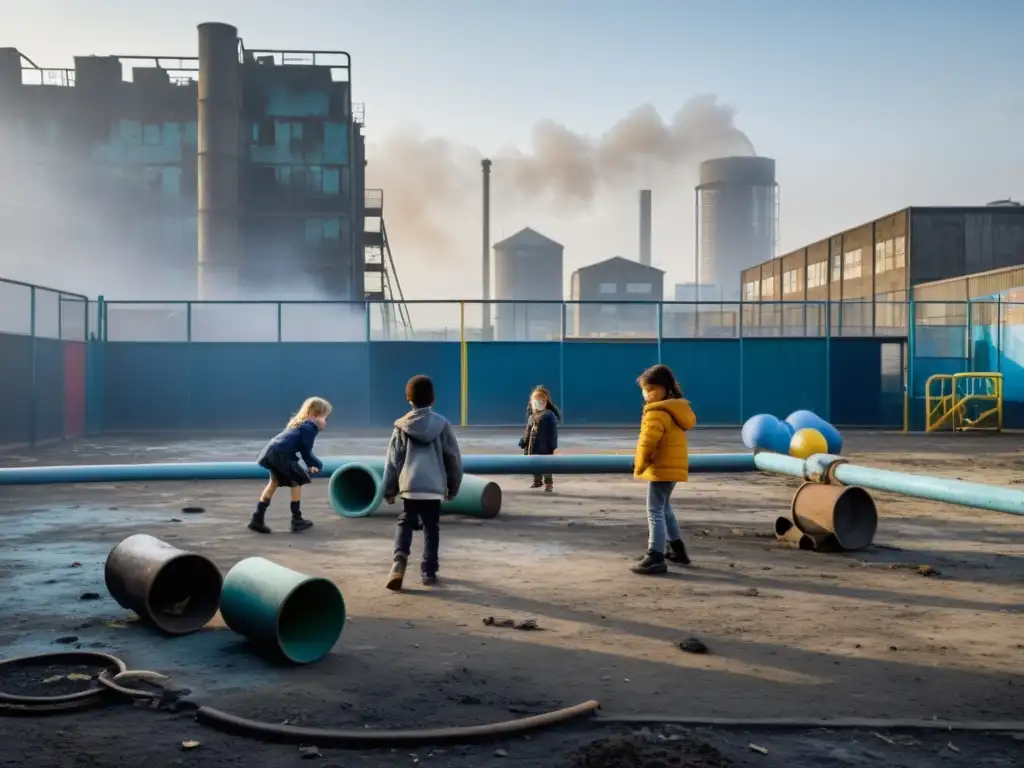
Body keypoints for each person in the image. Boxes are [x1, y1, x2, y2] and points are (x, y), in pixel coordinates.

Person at [382, 375, 463, 590]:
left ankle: (399, 560)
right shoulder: (442, 425)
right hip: (434, 487)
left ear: (409, 400)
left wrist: (389, 488)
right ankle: (428, 571)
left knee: (406, 520)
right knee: (431, 526)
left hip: (411, 486)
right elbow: (453, 458)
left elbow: (393, 459)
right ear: (433, 399)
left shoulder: (401, 426)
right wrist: (453, 486)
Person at [631, 364, 697, 575]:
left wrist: (639, 465)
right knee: (664, 507)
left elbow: (647, 443)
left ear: (665, 389)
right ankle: (677, 549)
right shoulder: (677, 409)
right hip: (673, 468)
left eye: (652, 388)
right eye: (645, 388)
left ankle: (655, 556)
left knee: (654, 510)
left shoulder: (656, 413)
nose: (648, 393)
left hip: (661, 468)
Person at [248, 396, 332, 535]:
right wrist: (317, 465)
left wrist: (310, 464)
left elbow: (301, 450)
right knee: (296, 481)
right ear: (313, 416)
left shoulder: (300, 424)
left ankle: (257, 518)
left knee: (273, 482)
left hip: (272, 452)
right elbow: (306, 452)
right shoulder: (309, 429)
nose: (326, 422)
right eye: (324, 417)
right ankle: (296, 519)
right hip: (280, 455)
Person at [518, 385, 560, 492]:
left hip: (545, 446)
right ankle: (537, 480)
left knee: (546, 465)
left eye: (541, 401)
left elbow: (553, 432)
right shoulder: (532, 417)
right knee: (533, 463)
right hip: (532, 446)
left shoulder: (549, 416)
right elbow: (528, 430)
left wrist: (553, 446)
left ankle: (548, 484)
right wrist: (524, 441)